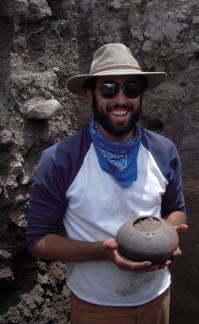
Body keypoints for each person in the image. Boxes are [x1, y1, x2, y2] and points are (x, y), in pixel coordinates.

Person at [26, 43, 188, 324]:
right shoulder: (60, 160)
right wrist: (103, 252)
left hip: (157, 297)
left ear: (141, 95)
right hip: (96, 307)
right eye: (109, 88)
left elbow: (177, 210)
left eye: (132, 89)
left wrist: (167, 234)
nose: (121, 99)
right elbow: (38, 241)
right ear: (91, 93)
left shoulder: (163, 151)